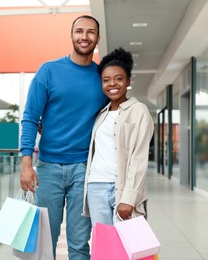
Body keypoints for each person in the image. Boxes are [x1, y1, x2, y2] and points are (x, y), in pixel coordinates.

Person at [20, 15, 108, 259]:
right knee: (44, 243)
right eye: (79, 31)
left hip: (85, 169)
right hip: (48, 169)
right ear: (72, 35)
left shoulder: (102, 77)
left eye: (90, 32)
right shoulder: (48, 71)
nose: (84, 36)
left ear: (97, 39)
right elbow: (29, 118)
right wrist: (26, 163)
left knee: (80, 244)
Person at [82, 47, 154, 227]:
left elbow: (139, 158)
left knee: (127, 248)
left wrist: (128, 198)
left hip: (121, 188)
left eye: (118, 79)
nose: (112, 84)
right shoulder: (101, 114)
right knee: (105, 248)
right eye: (106, 80)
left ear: (128, 81)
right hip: (95, 186)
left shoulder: (139, 111)